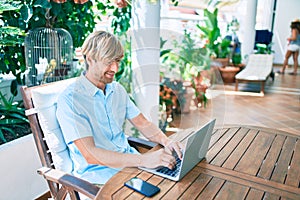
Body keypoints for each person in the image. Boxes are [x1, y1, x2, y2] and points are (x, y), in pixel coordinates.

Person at [56, 31, 183, 185]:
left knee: (177, 182)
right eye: (109, 62)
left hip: (131, 164)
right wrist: (144, 159)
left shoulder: (117, 89)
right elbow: (91, 155)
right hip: (100, 176)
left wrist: (167, 141)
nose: (115, 69)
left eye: (117, 61)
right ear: (90, 59)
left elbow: (143, 123)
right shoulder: (71, 100)